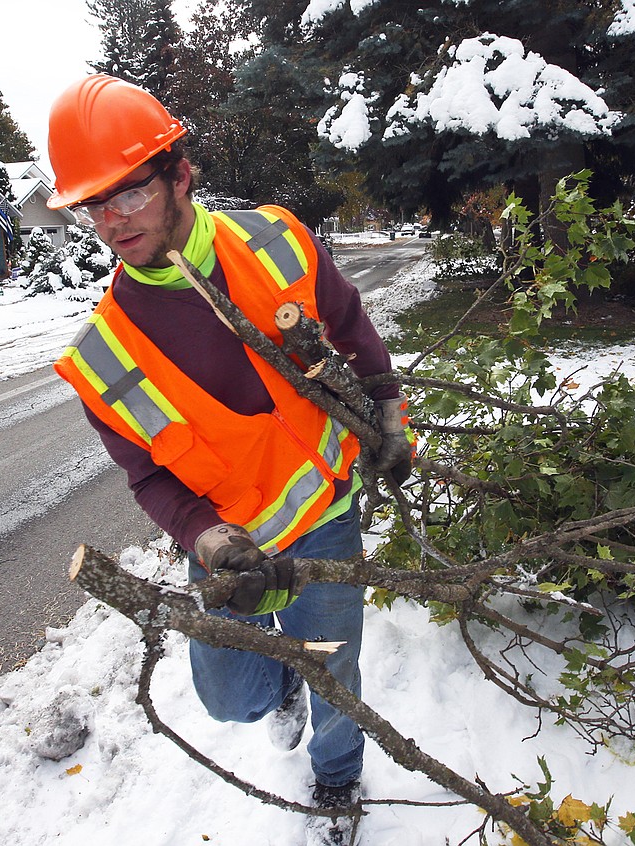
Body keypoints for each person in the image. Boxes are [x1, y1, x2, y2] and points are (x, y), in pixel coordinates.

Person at [46, 74, 411, 846]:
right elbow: (148, 475)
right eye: (93, 205)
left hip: (326, 520)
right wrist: (211, 542)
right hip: (229, 553)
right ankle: (278, 674)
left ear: (180, 173)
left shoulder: (278, 238)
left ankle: (339, 782)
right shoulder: (103, 355)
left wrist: (389, 411)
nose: (111, 220)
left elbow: (348, 323)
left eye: (129, 193)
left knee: (337, 677)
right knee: (233, 701)